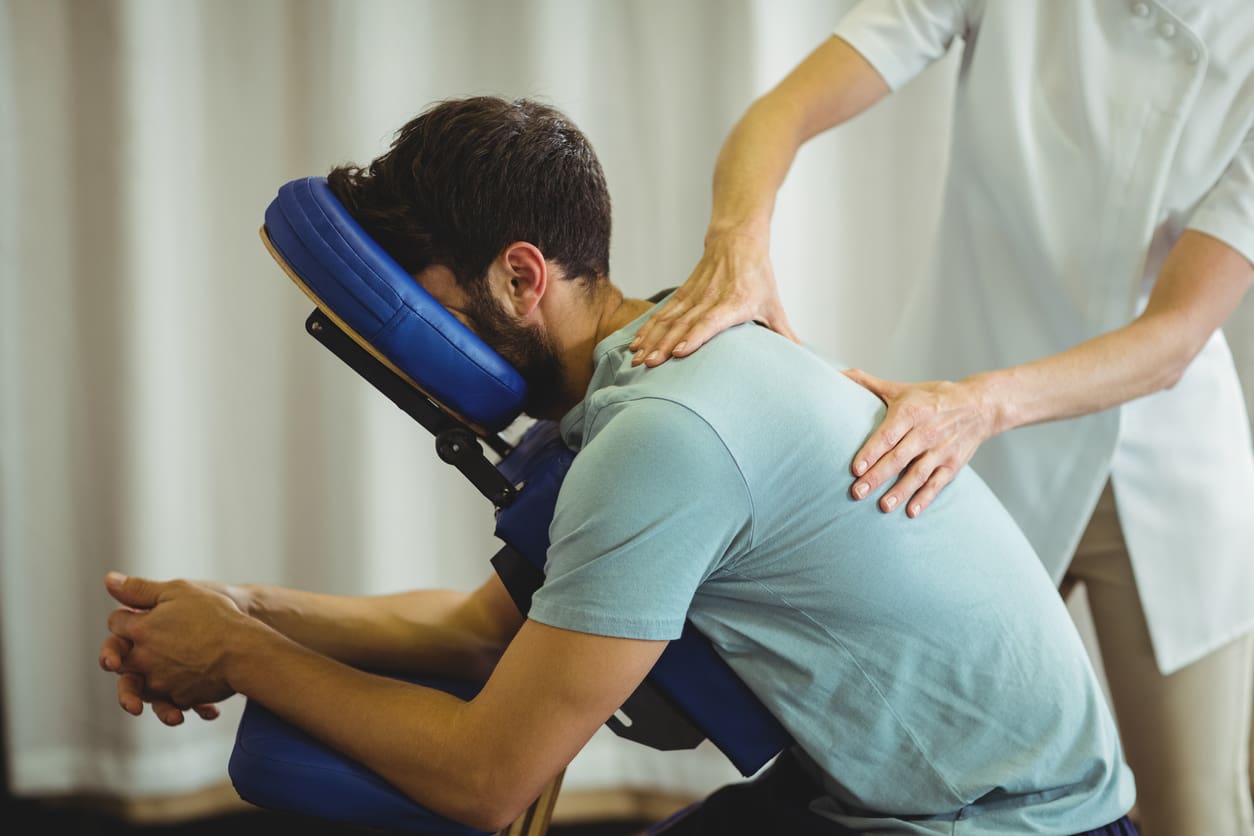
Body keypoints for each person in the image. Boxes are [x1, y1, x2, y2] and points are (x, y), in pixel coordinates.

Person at [98, 96, 1137, 835]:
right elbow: (480, 633)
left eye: (431, 309)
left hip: (1018, 823)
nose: (421, 344)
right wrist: (233, 604)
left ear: (519, 276)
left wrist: (240, 655)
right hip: (935, 795)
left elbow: (488, 776)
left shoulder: (664, 437)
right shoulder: (644, 387)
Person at [627, 3, 1254, 835]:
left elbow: (1175, 337)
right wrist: (736, 246)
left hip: (1154, 459)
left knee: (1195, 809)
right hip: (951, 446)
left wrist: (982, 404)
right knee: (886, 783)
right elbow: (779, 114)